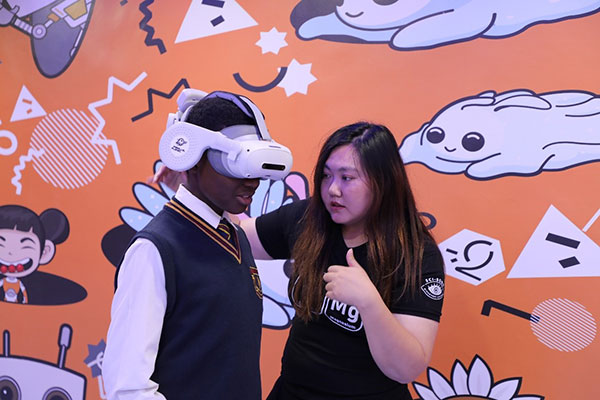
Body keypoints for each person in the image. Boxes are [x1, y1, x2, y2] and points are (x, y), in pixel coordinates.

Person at [155, 121, 445, 399]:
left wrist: (369, 303)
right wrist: (194, 187)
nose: (333, 190)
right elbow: (237, 234)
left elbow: (407, 368)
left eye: (347, 178)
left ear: (384, 183)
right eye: (326, 176)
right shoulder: (311, 219)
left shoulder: (417, 253)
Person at [103, 89, 292, 400]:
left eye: (253, 167)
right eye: (234, 165)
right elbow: (128, 387)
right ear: (191, 158)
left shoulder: (234, 235)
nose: (252, 182)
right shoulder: (155, 250)